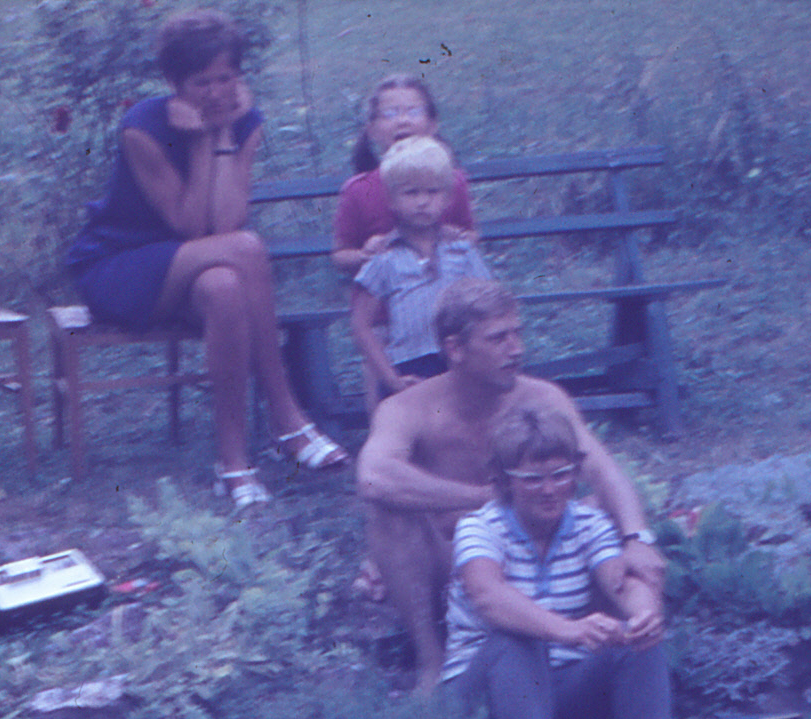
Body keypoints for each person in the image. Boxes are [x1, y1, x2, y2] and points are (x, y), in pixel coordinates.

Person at [64, 7, 346, 511]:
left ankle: (232, 462)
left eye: (226, 77)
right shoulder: (142, 127)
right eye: (202, 82)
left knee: (225, 286)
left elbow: (225, 220)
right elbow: (192, 226)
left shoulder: (245, 123)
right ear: (174, 83)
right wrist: (199, 140)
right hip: (120, 265)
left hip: (196, 267)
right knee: (247, 248)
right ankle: (286, 415)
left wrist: (224, 135)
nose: (217, 92)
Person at [356, 278, 665, 694]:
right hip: (448, 560)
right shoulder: (408, 408)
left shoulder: (542, 398)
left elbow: (602, 470)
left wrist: (638, 537)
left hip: (534, 551)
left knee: (605, 507)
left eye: (517, 334)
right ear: (455, 348)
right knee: (387, 510)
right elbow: (373, 476)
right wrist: (488, 498)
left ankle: (608, 640)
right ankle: (431, 661)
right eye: (498, 338)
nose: (516, 349)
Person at [443, 405, 704, 719]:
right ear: (505, 481)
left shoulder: (587, 524)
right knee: (515, 640)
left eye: (561, 475)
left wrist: (643, 612)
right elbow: (489, 597)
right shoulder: (480, 528)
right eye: (533, 479)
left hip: (558, 694)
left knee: (639, 644)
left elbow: (620, 578)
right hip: (481, 699)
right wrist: (567, 629)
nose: (550, 490)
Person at [350, 135, 491, 412]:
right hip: (410, 367)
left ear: (447, 198)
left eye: (432, 192)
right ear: (392, 199)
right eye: (411, 193)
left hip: (461, 363)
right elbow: (360, 325)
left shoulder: (461, 251)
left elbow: (489, 305)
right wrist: (391, 379)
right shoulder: (385, 258)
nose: (422, 202)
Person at [330, 74, 475, 276]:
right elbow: (341, 255)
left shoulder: (452, 181)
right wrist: (365, 254)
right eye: (389, 114)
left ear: (432, 124)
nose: (403, 121)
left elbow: (470, 234)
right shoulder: (359, 190)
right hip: (383, 288)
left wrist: (456, 239)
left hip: (446, 286)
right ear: (372, 130)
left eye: (414, 111)